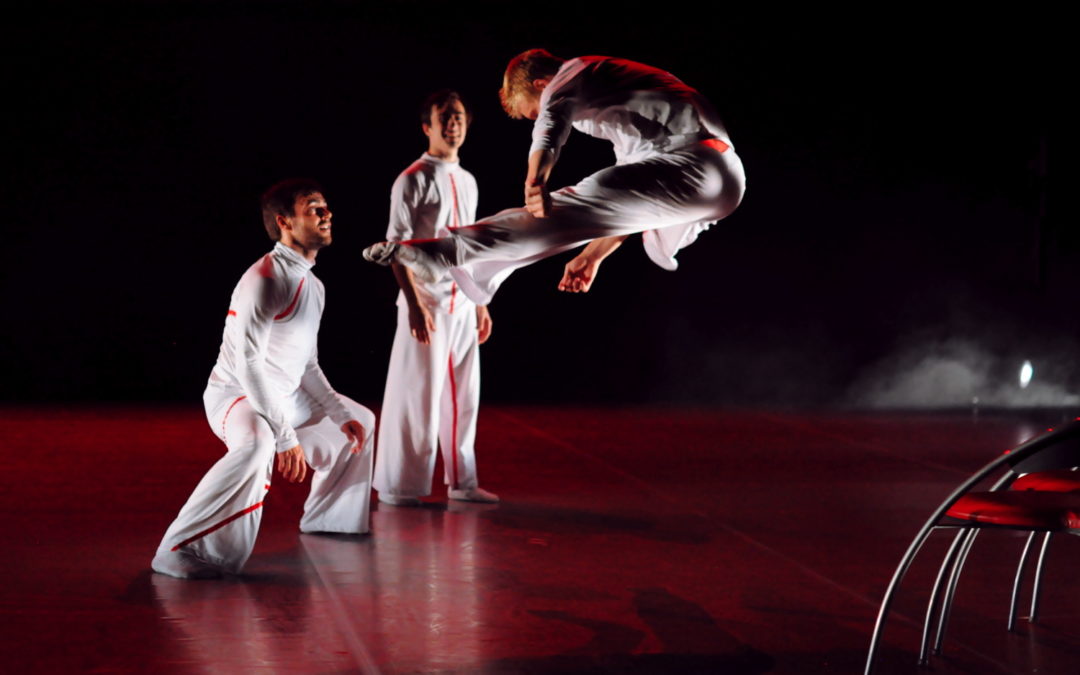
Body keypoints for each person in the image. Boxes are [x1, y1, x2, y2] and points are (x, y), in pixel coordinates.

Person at [362, 49, 746, 304]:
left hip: (700, 164)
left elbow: (550, 126)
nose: (541, 110)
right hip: (718, 181)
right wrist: (592, 257)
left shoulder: (574, 72)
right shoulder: (628, 115)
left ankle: (451, 252)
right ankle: (452, 254)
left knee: (590, 191)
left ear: (542, 86)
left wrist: (537, 179)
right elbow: (625, 207)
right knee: (602, 192)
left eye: (532, 108)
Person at [151, 179, 376, 579]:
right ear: (284, 222)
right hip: (237, 396)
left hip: (285, 397)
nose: (327, 214)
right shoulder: (266, 278)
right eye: (314, 208)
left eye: (326, 207)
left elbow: (307, 365)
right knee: (259, 444)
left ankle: (329, 520)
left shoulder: (314, 285)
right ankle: (178, 549)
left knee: (361, 422)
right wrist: (285, 437)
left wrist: (340, 414)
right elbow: (247, 365)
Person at [374, 90, 499, 506]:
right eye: (444, 116)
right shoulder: (412, 179)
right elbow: (395, 247)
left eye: (459, 116)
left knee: (465, 396)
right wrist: (413, 304)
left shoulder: (469, 180)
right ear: (427, 126)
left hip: (462, 302)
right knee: (418, 397)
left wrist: (480, 302)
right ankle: (400, 486)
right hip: (426, 303)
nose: (453, 123)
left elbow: (473, 249)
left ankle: (463, 482)